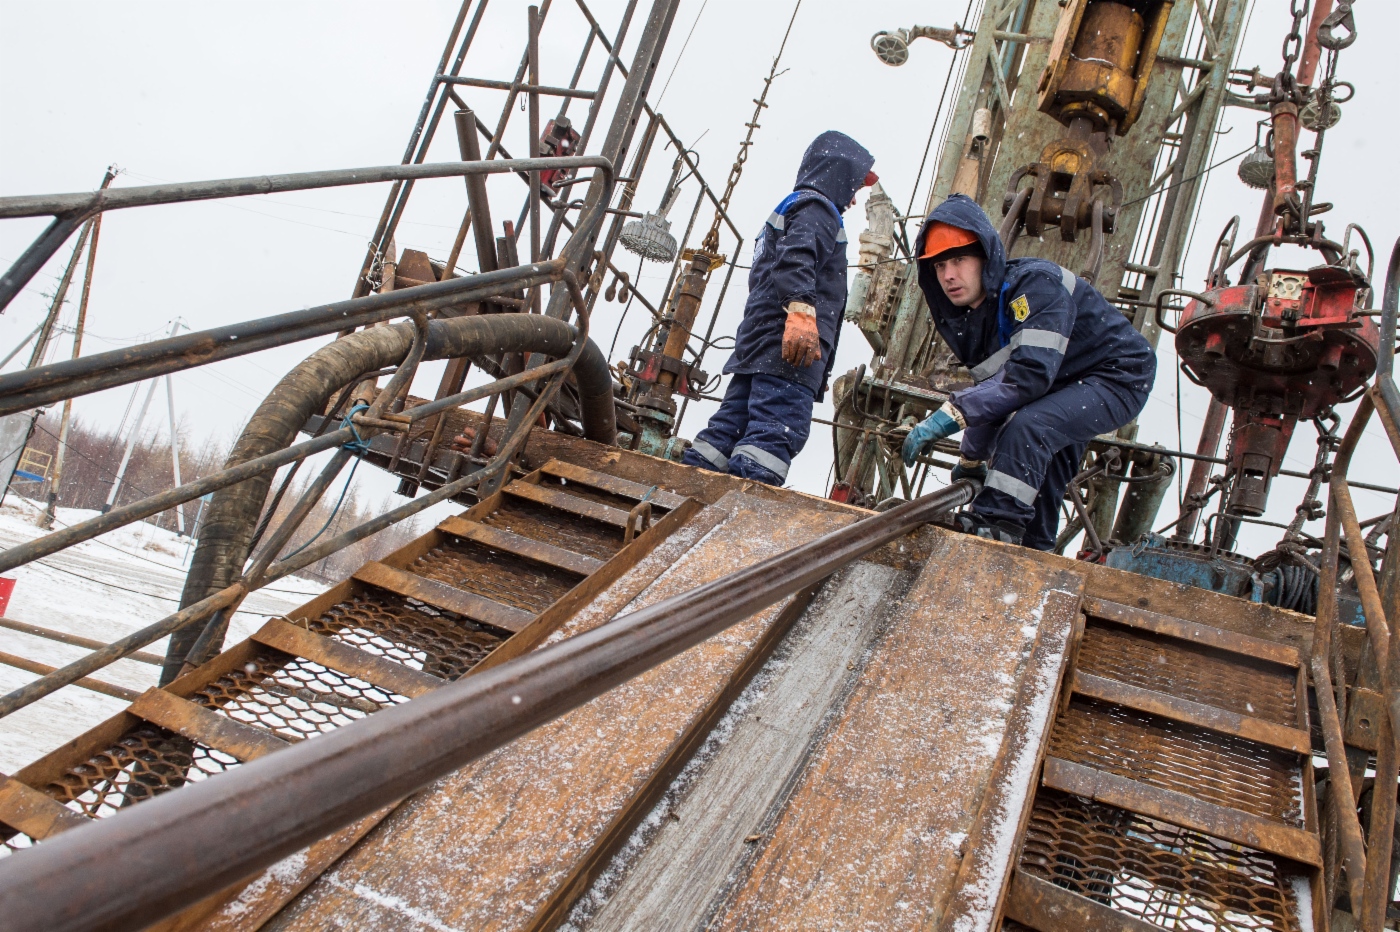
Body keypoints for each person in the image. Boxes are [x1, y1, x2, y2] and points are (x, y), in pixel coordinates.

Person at [901, 194, 1156, 549]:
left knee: (1031, 426)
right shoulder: (978, 323)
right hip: (1064, 383)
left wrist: (952, 414)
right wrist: (971, 458)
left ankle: (996, 525)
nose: (948, 275)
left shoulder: (1034, 286)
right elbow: (993, 398)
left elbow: (1029, 376)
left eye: (958, 260)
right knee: (1045, 465)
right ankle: (1037, 549)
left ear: (985, 258)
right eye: (939, 266)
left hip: (1117, 376)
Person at [681, 130, 876, 486]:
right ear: (838, 174)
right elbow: (797, 257)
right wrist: (801, 312)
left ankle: (688, 487)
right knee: (774, 433)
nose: (852, 198)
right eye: (853, 186)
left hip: (759, 347)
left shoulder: (793, 206)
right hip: (790, 353)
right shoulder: (819, 208)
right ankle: (740, 512)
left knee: (729, 428)